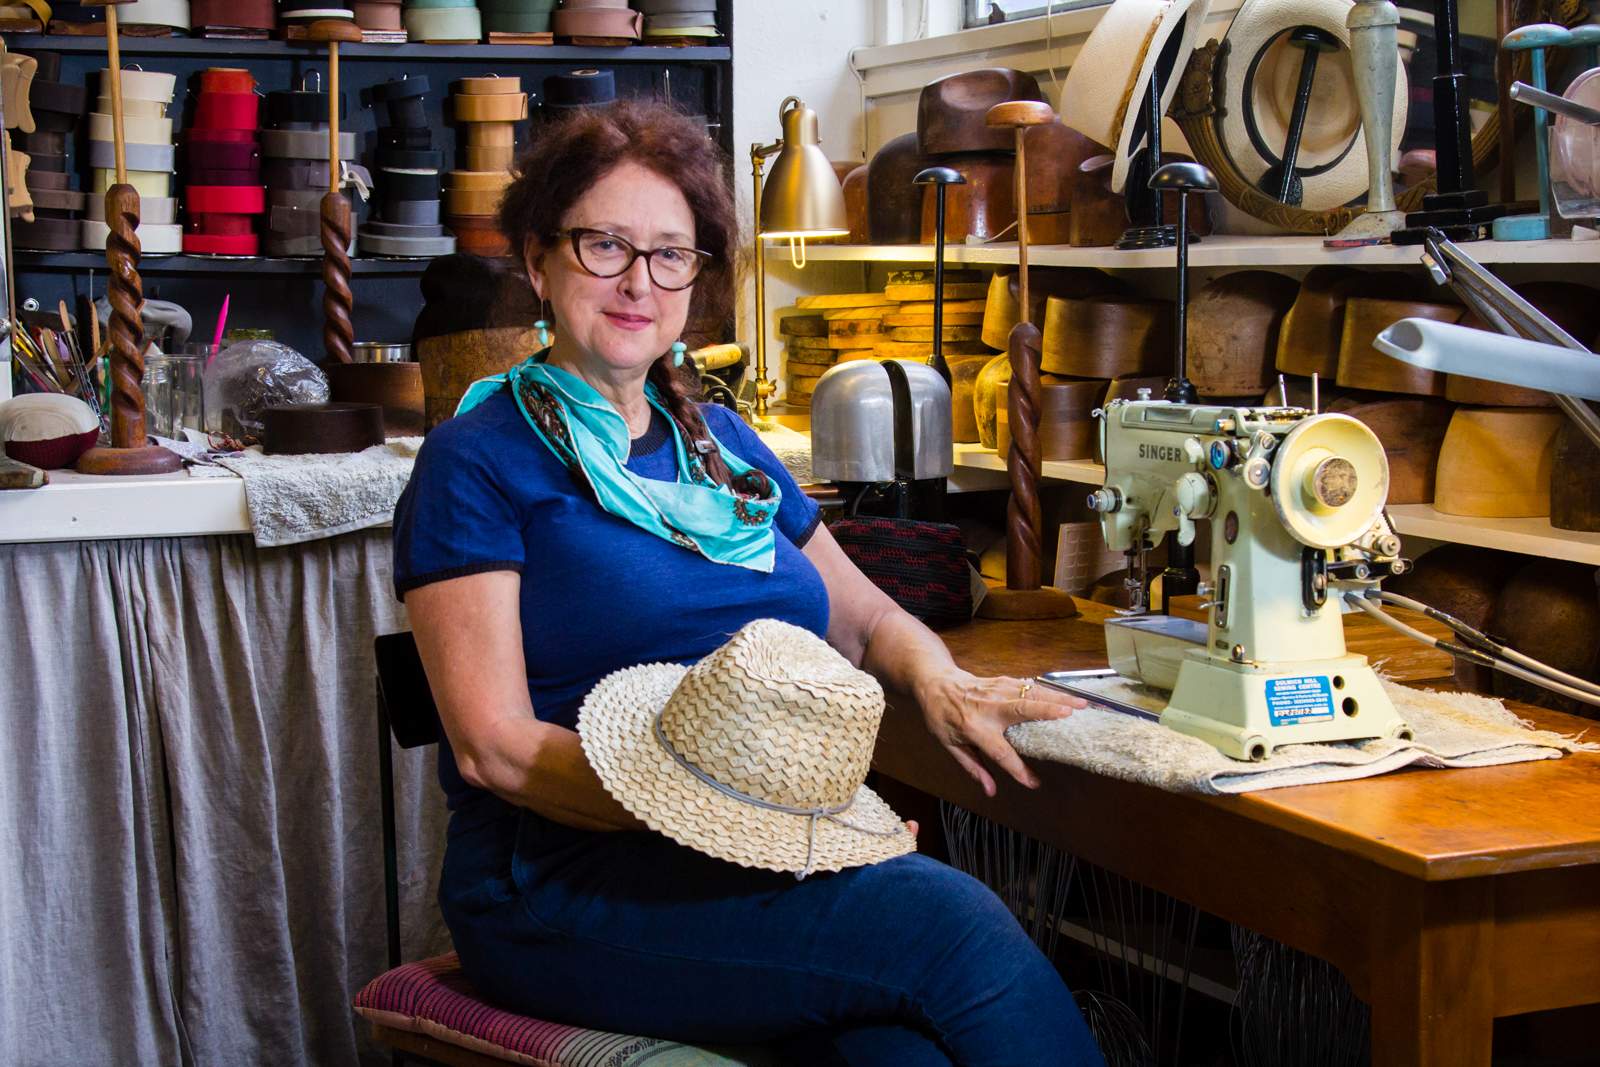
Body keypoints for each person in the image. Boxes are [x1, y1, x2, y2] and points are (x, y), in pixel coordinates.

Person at [393, 99, 1104, 1066]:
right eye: (605, 245)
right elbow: (496, 750)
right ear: (537, 261)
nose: (638, 281)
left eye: (670, 254)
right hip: (558, 876)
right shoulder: (477, 460)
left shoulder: (718, 443)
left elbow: (865, 619)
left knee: (902, 1057)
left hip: (745, 848)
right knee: (952, 924)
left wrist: (941, 681)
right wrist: (732, 824)